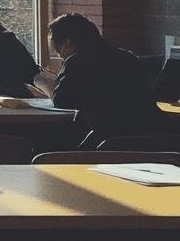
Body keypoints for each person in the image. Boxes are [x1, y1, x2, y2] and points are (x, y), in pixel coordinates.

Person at [48, 13, 169, 148]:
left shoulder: (77, 61)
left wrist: (42, 82)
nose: (61, 57)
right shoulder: (128, 57)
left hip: (113, 143)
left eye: (59, 51)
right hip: (155, 139)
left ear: (67, 43)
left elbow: (61, 100)